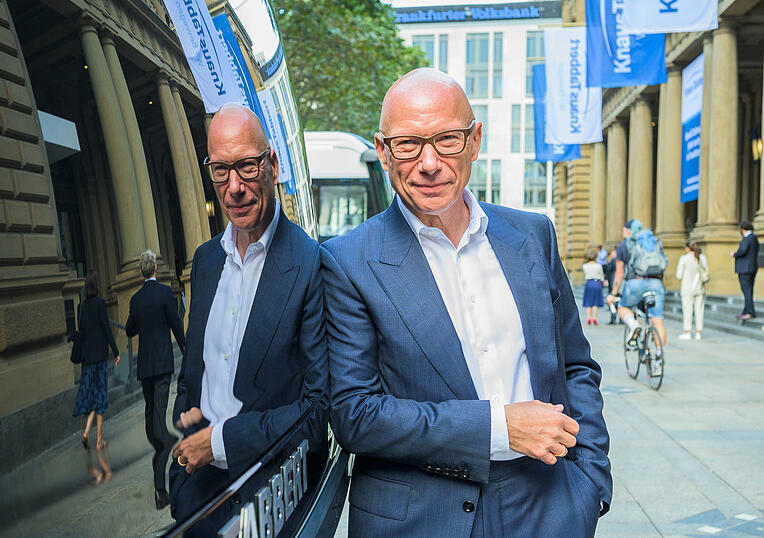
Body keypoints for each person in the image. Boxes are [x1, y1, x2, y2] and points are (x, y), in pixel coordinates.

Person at [321, 69, 611, 537]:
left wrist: (589, 483)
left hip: (546, 504)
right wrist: (500, 427)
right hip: (419, 518)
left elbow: (576, 366)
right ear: (382, 151)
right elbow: (355, 414)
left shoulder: (533, 235)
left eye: (447, 140)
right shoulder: (346, 260)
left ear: (475, 140)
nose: (429, 162)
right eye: (408, 145)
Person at [169, 103, 328, 531]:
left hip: (271, 497)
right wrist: (181, 469)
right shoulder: (204, 262)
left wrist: (219, 443)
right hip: (197, 497)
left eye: (246, 167)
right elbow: (193, 380)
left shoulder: (311, 264)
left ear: (272, 165)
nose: (234, 187)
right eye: (221, 170)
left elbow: (317, 411)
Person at [124, 249, 186, 510]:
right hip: (162, 365)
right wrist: (187, 352)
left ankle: (161, 449)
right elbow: (176, 325)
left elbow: (129, 329)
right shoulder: (163, 294)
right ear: (155, 271)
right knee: (159, 419)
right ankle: (161, 485)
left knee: (152, 415)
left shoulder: (136, 299)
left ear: (141, 272)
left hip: (146, 367)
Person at [73, 270, 120, 452]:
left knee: (93, 398)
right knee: (100, 398)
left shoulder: (82, 307)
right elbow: (107, 330)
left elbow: (82, 332)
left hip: (87, 360)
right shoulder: (100, 304)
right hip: (100, 357)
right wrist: (115, 352)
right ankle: (95, 437)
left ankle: (92, 435)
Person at [607, 219, 668, 349]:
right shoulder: (654, 241)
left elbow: (619, 272)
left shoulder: (624, 245)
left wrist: (613, 293)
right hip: (656, 283)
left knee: (623, 307)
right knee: (657, 321)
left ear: (628, 231)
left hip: (635, 283)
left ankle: (634, 325)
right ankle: (658, 360)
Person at [676, 240, 709, 340]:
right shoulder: (702, 258)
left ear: (687, 248)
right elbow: (707, 272)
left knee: (687, 310)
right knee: (699, 310)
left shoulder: (684, 258)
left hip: (687, 288)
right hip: (699, 288)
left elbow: (679, 275)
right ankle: (698, 332)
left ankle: (687, 332)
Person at [732, 220, 759, 320]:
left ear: (742, 229)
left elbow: (742, 251)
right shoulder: (754, 238)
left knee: (747, 291)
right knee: (748, 291)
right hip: (751, 268)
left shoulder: (748, 238)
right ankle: (746, 310)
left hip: (745, 269)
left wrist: (734, 254)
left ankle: (750, 312)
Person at [582, 249, 605, 326]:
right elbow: (601, 276)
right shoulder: (598, 266)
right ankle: (594, 318)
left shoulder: (584, 266)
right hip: (597, 283)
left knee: (588, 301)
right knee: (595, 302)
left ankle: (589, 318)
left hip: (589, 283)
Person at [603, 249, 619, 324]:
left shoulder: (613, 261)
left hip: (613, 284)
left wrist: (606, 279)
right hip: (621, 285)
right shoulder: (621, 261)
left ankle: (613, 318)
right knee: (619, 301)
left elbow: (608, 271)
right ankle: (621, 320)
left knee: (611, 302)